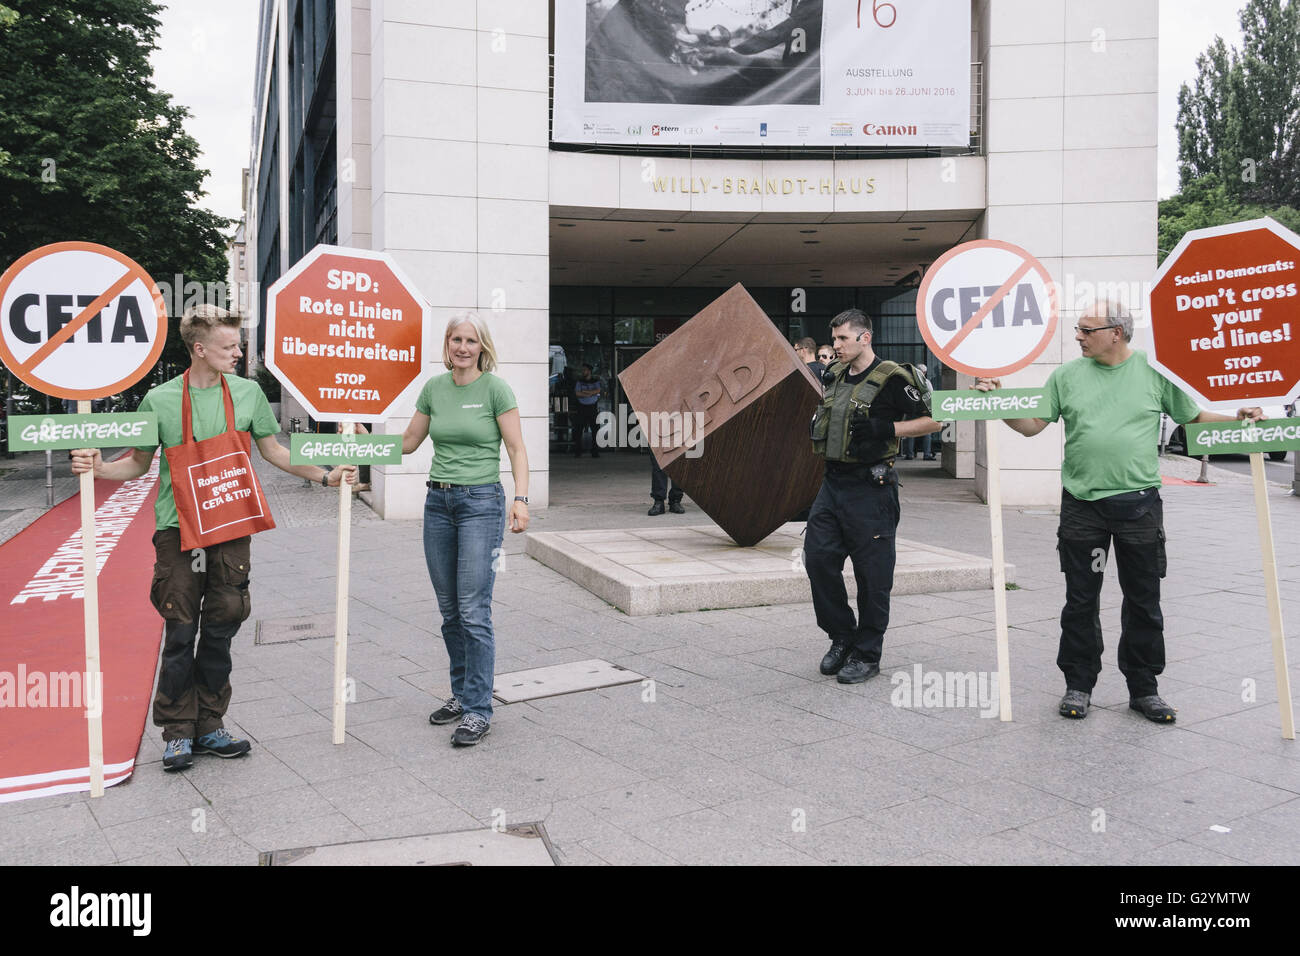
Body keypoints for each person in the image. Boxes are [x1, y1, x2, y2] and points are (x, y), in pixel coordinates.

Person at [70, 305, 356, 772]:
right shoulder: (159, 400)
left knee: (221, 628)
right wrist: (98, 468)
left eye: (238, 346)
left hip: (231, 530)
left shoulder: (247, 395)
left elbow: (276, 452)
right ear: (199, 349)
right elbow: (138, 464)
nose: (239, 353)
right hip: (176, 531)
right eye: (230, 347)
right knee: (181, 630)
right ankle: (177, 732)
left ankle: (211, 725)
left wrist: (326, 478)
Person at [976, 301, 1263, 722]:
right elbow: (1033, 424)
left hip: (1139, 507)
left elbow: (1195, 417)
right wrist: (998, 405)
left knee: (1144, 602)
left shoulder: (1154, 371)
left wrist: (1239, 421)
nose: (1078, 336)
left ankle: (1144, 689)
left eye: (1086, 330)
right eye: (1078, 329)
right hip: (1082, 506)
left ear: (1117, 332)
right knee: (1080, 601)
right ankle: (1078, 684)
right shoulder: (1066, 376)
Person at [402, 313, 529, 747]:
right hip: (438, 502)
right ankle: (461, 694)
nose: (462, 346)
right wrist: (360, 436)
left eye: (470, 340)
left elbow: (516, 447)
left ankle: (478, 709)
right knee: (450, 610)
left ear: (482, 347)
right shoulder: (434, 388)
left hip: (481, 504)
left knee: (474, 611)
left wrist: (521, 498)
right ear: (447, 344)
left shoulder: (495, 388)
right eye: (456, 339)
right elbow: (407, 442)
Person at [805, 309, 941, 682]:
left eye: (842, 339)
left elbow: (936, 419)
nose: (835, 346)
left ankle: (867, 653)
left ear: (865, 338)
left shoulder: (894, 378)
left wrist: (888, 427)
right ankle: (842, 636)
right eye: (833, 340)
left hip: (871, 488)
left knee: (872, 576)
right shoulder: (832, 375)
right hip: (832, 486)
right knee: (817, 561)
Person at [572, 364, 602, 457]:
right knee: (578, 430)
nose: (583, 372)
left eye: (584, 370)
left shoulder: (595, 381)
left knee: (595, 430)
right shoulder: (579, 382)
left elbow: (598, 391)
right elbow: (577, 393)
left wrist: (585, 392)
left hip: (592, 407)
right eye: (583, 370)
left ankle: (595, 451)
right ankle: (578, 451)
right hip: (581, 407)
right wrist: (590, 394)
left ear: (589, 371)